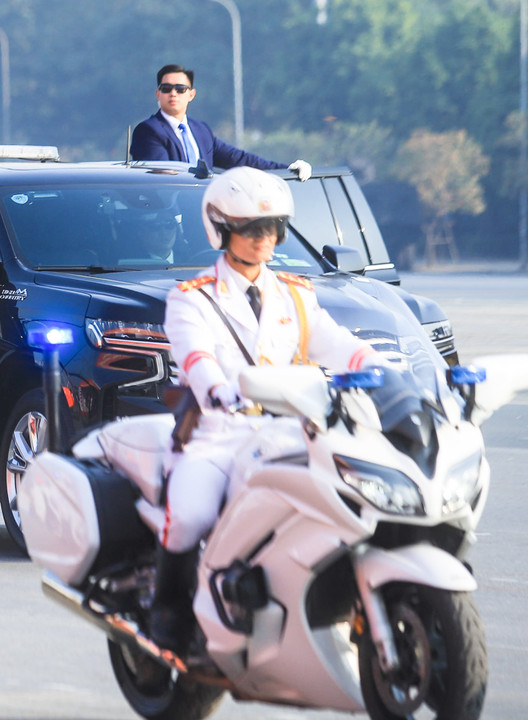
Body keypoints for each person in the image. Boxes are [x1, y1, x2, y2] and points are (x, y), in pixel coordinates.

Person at [152, 166, 382, 652]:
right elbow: (196, 357)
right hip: (219, 435)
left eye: (273, 228)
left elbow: (336, 343)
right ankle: (167, 607)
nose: (265, 239)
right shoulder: (192, 298)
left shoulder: (295, 294)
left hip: (290, 432)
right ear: (221, 230)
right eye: (252, 229)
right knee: (190, 516)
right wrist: (219, 390)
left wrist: (384, 369)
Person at [129, 64, 312, 181]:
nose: (173, 93)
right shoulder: (148, 131)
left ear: (191, 94)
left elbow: (239, 159)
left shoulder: (201, 130)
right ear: (158, 94)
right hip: (170, 220)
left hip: (203, 213)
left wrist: (286, 169)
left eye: (180, 89)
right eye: (166, 88)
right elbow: (162, 180)